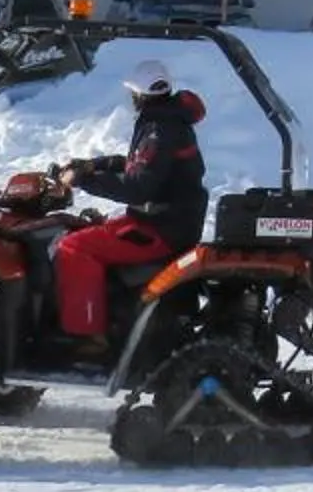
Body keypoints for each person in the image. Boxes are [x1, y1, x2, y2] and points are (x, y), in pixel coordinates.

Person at [49, 59, 208, 352]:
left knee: (73, 247)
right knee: (90, 230)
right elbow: (140, 167)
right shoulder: (167, 120)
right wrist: (92, 165)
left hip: (161, 227)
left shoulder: (160, 130)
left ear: (139, 94)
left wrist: (83, 180)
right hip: (170, 220)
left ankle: (86, 335)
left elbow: (138, 187)